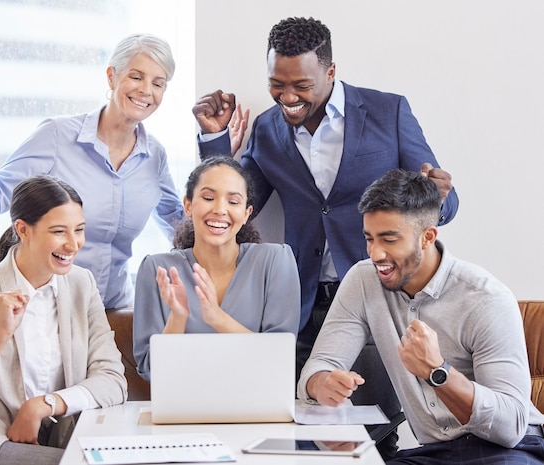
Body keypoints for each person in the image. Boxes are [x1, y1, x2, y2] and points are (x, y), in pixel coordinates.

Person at [192, 16, 459, 458]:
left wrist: (438, 198)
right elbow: (240, 203)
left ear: (330, 72)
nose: (288, 97)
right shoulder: (266, 127)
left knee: (376, 432)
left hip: (377, 296)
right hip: (299, 303)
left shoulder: (388, 112)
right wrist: (215, 139)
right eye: (277, 84)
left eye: (301, 85)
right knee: (303, 430)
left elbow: (437, 203)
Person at [298, 169, 544, 464]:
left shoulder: (486, 299)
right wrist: (321, 383)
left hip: (509, 451)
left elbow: (510, 428)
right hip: (432, 453)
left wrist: (436, 371)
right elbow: (319, 366)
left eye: (389, 239)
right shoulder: (363, 281)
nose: (375, 254)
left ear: (427, 236)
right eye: (369, 239)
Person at [0, 32, 184, 311]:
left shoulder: (154, 156)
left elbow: (180, 227)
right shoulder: (57, 136)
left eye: (158, 83)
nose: (146, 90)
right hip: (46, 308)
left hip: (111, 310)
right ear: (111, 77)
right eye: (136, 77)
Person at [0, 175, 127, 465]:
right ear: (23, 229)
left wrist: (44, 406)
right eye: (59, 231)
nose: (73, 244)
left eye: (79, 230)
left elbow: (112, 380)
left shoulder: (81, 283)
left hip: (55, 444)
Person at [133, 156, 301, 381]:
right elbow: (151, 370)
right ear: (188, 205)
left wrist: (217, 318)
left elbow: (279, 357)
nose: (220, 209)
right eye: (209, 197)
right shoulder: (157, 269)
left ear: (246, 214)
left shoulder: (275, 261)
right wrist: (178, 318)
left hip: (257, 407)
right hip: (183, 408)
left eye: (233, 202)